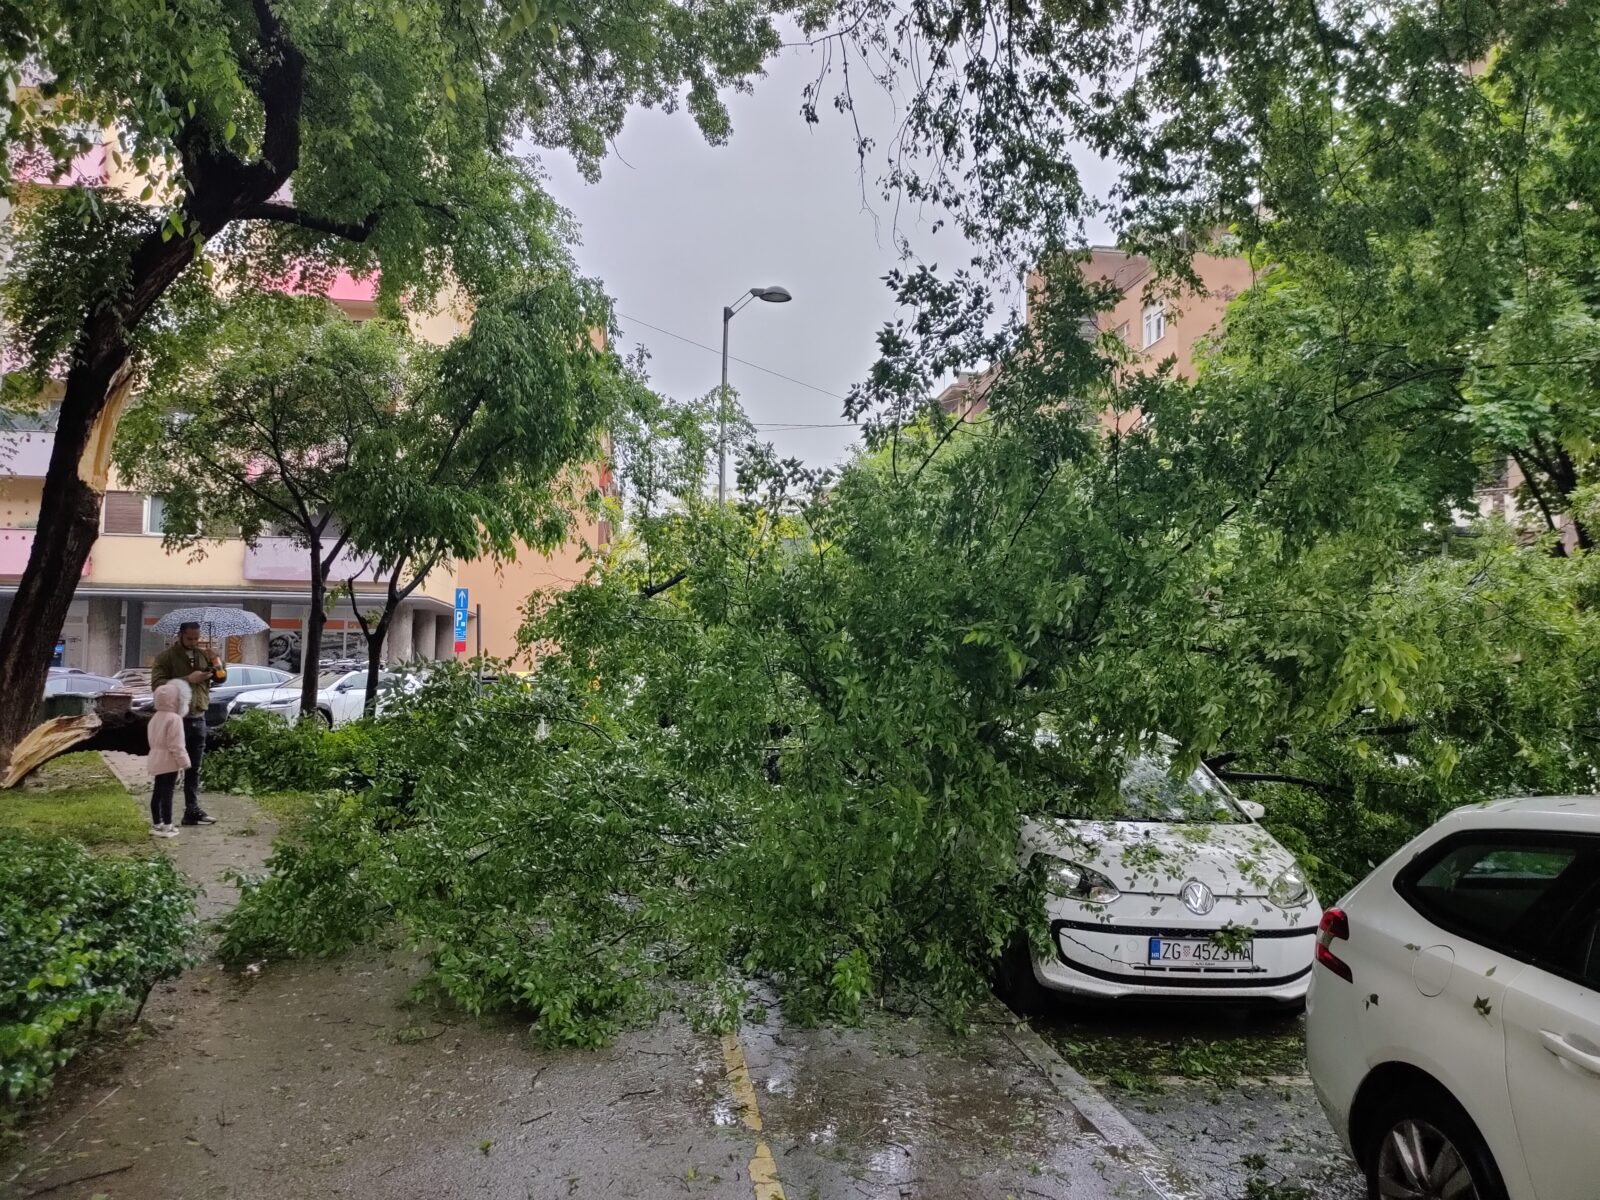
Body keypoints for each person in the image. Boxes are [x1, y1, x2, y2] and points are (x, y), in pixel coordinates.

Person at [149, 622, 219, 825]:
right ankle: (162, 816)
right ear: (179, 635)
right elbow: (157, 686)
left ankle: (192, 810)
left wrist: (216, 662)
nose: (194, 642)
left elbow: (221, 678)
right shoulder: (166, 657)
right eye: (190, 638)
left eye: (197, 638)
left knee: (194, 768)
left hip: (199, 716)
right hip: (176, 719)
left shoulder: (203, 655)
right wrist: (188, 679)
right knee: (168, 769)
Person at [146, 679, 190, 838]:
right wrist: (184, 762)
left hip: (156, 758)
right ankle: (168, 825)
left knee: (157, 791)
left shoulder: (155, 717)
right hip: (169, 761)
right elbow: (176, 745)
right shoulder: (175, 719)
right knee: (168, 793)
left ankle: (157, 823)